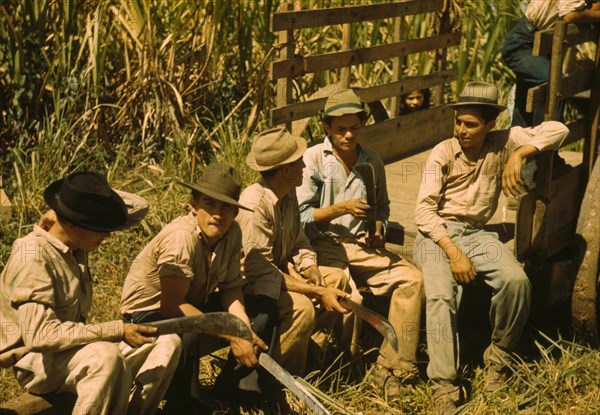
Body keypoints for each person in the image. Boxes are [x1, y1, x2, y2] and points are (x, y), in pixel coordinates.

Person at [413, 81, 569, 414]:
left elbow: (559, 129)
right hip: (434, 234)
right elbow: (423, 212)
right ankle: (444, 386)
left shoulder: (504, 142)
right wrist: (454, 253)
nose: (461, 130)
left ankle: (497, 361)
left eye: (470, 124)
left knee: (516, 282)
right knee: (441, 296)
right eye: (458, 122)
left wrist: (521, 154)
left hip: (478, 233)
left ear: (490, 125)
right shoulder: (443, 151)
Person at [0, 172, 181, 415]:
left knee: (167, 341)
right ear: (72, 224)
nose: (107, 236)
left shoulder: (74, 241)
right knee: (105, 357)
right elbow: (39, 336)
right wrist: (116, 330)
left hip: (71, 350)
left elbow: (138, 207)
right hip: (37, 362)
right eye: (99, 228)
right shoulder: (32, 256)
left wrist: (77, 205)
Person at [296, 88, 424, 397]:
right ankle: (343, 367)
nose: (349, 135)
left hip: (360, 244)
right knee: (349, 298)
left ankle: (391, 368)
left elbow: (382, 205)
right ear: (326, 127)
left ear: (363, 125)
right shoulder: (313, 158)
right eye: (340, 129)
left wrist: (378, 226)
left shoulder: (371, 160)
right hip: (321, 243)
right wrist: (341, 208)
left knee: (412, 279)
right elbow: (300, 216)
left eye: (355, 127)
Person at [119, 162, 271, 414]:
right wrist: (231, 333)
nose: (217, 214)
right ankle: (183, 404)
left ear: (235, 212)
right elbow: (172, 304)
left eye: (226, 207)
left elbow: (231, 287)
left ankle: (233, 391)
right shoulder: (182, 237)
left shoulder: (232, 232)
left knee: (261, 310)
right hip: (148, 315)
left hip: (192, 304)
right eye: (209, 204)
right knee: (187, 332)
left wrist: (242, 327)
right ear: (193, 205)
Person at [238, 127, 351, 377]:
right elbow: (259, 272)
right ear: (286, 170)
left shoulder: (288, 195)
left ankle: (307, 351)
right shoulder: (255, 204)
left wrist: (310, 267)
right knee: (302, 308)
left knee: (338, 279)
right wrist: (316, 291)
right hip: (250, 286)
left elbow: (299, 242)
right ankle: (278, 379)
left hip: (274, 275)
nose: (304, 167)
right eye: (299, 163)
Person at [502, 0, 600, 127]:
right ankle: (544, 140)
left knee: (525, 104)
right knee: (555, 84)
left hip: (538, 43)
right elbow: (569, 15)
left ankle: (524, 140)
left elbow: (591, 9)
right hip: (524, 42)